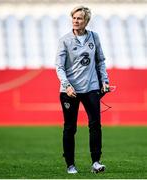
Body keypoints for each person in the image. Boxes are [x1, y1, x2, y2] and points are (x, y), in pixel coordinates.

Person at [55, 6, 109, 174]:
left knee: (95, 125)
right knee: (70, 127)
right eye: (74, 18)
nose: (76, 21)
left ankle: (96, 162)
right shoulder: (65, 40)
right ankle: (70, 165)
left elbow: (100, 61)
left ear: (86, 21)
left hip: (91, 87)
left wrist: (105, 81)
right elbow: (59, 67)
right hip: (70, 91)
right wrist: (67, 85)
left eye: (79, 18)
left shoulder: (94, 37)